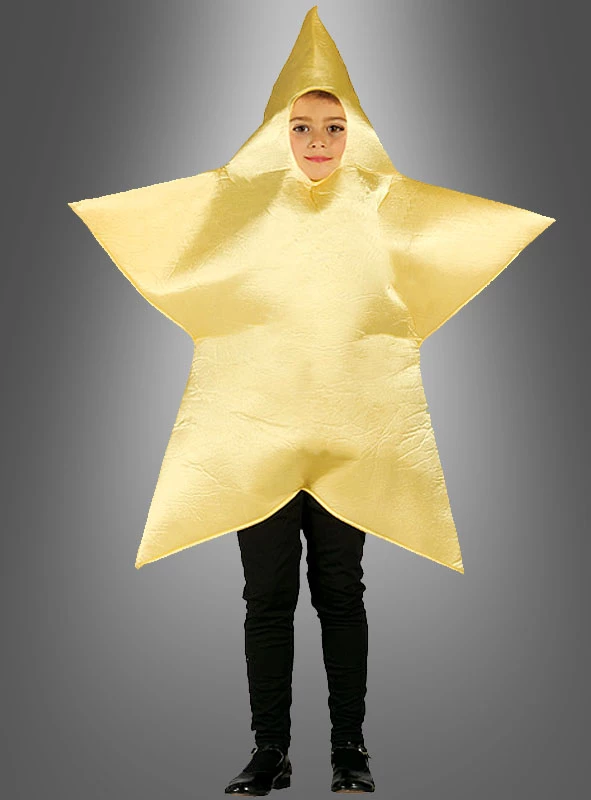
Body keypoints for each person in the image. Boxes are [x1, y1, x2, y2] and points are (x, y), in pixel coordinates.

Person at [224, 91, 376, 796]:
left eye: (334, 128)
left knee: (340, 591)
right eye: (302, 127)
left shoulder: (376, 220)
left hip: (346, 438)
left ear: (353, 137)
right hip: (262, 437)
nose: (318, 141)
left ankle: (349, 748)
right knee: (267, 596)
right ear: (276, 137)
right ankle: (270, 750)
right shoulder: (247, 222)